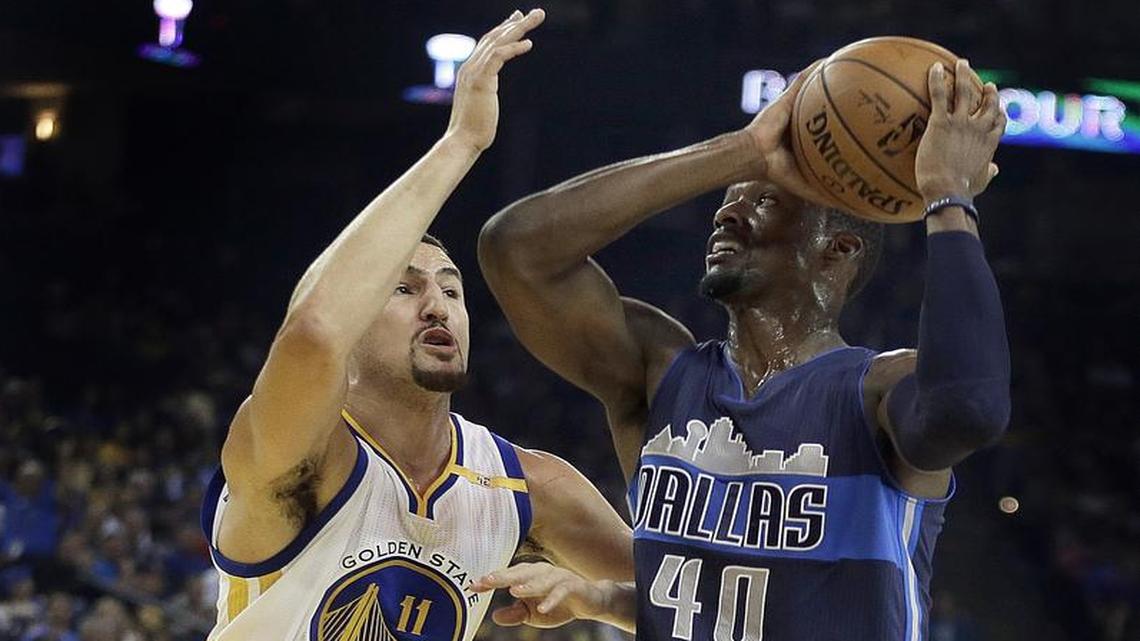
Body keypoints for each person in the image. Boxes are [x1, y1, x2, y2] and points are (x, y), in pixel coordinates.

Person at [474, 58, 1011, 639]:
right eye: (726, 201)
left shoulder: (877, 391)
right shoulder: (659, 373)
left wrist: (947, 197)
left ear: (838, 249)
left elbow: (969, 407)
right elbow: (516, 250)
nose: (727, 213)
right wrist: (742, 151)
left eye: (766, 202)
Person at [201, 9, 633, 641]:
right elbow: (314, 332)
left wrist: (602, 602)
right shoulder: (300, 453)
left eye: (452, 290)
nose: (438, 305)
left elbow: (703, 601)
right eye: (403, 288)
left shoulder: (528, 483)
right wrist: (461, 142)